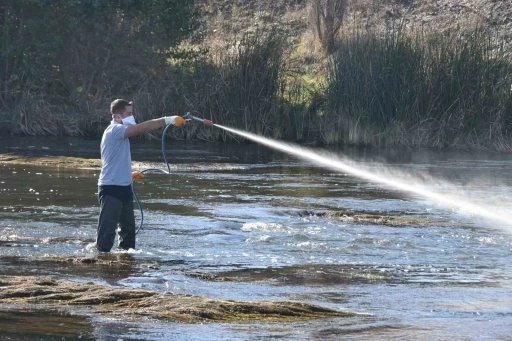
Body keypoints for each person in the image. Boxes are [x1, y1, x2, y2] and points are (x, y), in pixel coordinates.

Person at [96, 99, 186, 252]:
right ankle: (101, 264)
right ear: (118, 116)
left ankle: (125, 266)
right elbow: (139, 129)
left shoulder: (119, 133)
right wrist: (167, 120)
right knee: (106, 234)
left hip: (125, 188)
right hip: (110, 189)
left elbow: (115, 159)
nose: (132, 116)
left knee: (128, 234)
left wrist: (129, 175)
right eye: (129, 113)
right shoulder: (114, 130)